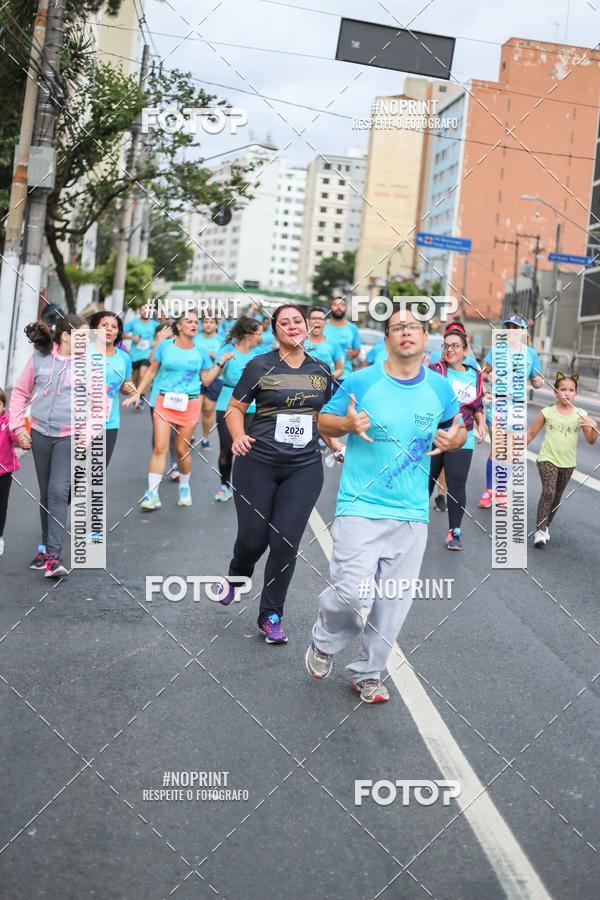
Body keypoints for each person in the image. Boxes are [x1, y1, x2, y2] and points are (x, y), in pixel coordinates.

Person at [305, 305, 465, 703]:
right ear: (389, 338)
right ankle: (325, 639)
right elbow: (323, 420)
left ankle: (369, 672)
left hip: (412, 512)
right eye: (397, 327)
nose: (406, 332)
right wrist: (346, 425)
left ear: (425, 337)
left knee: (392, 602)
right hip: (360, 504)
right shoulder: (362, 380)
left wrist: (455, 441)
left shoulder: (441, 389)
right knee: (352, 594)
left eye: (413, 326)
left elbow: (455, 429)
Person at [216, 304, 342, 645]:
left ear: (307, 327)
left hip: (304, 467)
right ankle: (238, 573)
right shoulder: (259, 366)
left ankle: (271, 615)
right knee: (253, 539)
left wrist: (334, 444)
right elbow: (234, 408)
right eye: (283, 323)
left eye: (296, 321)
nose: (291, 327)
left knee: (285, 541)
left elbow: (324, 417)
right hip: (258, 462)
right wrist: (239, 435)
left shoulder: (321, 369)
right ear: (275, 332)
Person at [9, 314, 86, 576]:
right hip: (40, 433)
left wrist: (88, 432)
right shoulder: (40, 358)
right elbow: (20, 393)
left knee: (57, 491)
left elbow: (100, 404)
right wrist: (18, 428)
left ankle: (54, 556)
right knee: (45, 494)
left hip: (69, 436)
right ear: (66, 336)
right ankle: (44, 549)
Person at [125, 311, 213, 510]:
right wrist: (138, 392)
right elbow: (152, 370)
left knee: (182, 450)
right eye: (189, 321)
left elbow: (206, 379)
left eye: (195, 321)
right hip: (164, 401)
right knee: (160, 447)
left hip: (189, 403)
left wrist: (222, 363)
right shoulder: (165, 347)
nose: (194, 324)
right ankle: (152, 495)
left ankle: (184, 486)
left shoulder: (201, 352)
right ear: (179, 326)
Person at [428, 329, 486, 550]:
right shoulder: (435, 370)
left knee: (456, 483)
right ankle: (411, 525)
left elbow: (477, 405)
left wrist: (481, 422)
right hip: (435, 433)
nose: (449, 349)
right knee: (425, 482)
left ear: (464, 351)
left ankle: (454, 532)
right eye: (446, 345)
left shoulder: (474, 375)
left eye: (455, 346)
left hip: (463, 436)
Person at [479, 314, 543, 508]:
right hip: (498, 404)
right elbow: (483, 373)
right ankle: (489, 490)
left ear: (523, 331)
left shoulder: (531, 354)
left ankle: (500, 491)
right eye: (508, 326)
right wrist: (488, 379)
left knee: (508, 452)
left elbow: (536, 380)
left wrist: (537, 382)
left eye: (515, 327)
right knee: (497, 448)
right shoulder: (496, 350)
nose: (510, 330)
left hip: (516, 407)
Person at [527, 373, 597, 547]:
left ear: (576, 393)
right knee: (549, 492)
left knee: (556, 497)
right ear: (555, 392)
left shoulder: (581, 414)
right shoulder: (547, 412)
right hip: (547, 458)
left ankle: (546, 525)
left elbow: (590, 440)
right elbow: (530, 434)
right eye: (563, 389)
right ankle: (540, 530)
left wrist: (593, 426)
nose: (567, 393)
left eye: (571, 390)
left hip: (568, 463)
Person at [204, 316, 263, 502]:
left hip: (254, 407)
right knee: (227, 448)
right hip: (227, 404)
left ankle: (246, 486)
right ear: (248, 335)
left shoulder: (260, 355)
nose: (261, 338)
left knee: (250, 450)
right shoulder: (228, 350)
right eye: (259, 334)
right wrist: (222, 361)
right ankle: (224, 485)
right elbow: (207, 380)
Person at [87, 312, 136, 467]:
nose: (109, 330)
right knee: (75, 473)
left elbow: (124, 385)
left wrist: (129, 388)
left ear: (118, 333)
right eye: (104, 325)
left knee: (97, 472)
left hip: (108, 422)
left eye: (114, 327)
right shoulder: (83, 352)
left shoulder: (124, 358)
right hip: (80, 419)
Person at [0, 388, 30, 556]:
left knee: (1, 506)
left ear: (3, 405)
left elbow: (15, 434)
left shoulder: (8, 421)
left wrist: (22, 439)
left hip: (4, 472)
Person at [195, 316, 223, 448]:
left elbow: (227, 359)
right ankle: (190, 434)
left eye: (212, 322)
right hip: (196, 377)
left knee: (207, 410)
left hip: (215, 377)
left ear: (216, 325)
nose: (208, 325)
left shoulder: (221, 340)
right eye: (206, 322)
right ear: (202, 324)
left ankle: (205, 438)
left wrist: (215, 356)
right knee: (194, 408)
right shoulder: (195, 338)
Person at [323, 295, 361, 387]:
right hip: (322, 376)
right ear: (330, 307)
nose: (339, 307)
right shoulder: (322, 325)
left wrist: (353, 353)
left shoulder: (353, 328)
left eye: (342, 305)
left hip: (344, 377)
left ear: (346, 308)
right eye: (335, 304)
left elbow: (357, 350)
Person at [123, 304, 157, 399]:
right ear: (140, 311)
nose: (145, 312)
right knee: (135, 379)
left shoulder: (154, 324)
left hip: (147, 354)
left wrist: (156, 342)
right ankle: (136, 396)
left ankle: (141, 397)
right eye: (143, 310)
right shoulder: (134, 323)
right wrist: (132, 337)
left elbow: (162, 334)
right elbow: (120, 333)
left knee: (143, 375)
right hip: (135, 354)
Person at [304, 307, 344, 381]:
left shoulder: (333, 344)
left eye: (320, 319)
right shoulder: (300, 343)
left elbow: (340, 369)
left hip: (325, 388)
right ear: (308, 322)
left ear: (325, 323)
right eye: (313, 318)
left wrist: (332, 376)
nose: (317, 321)